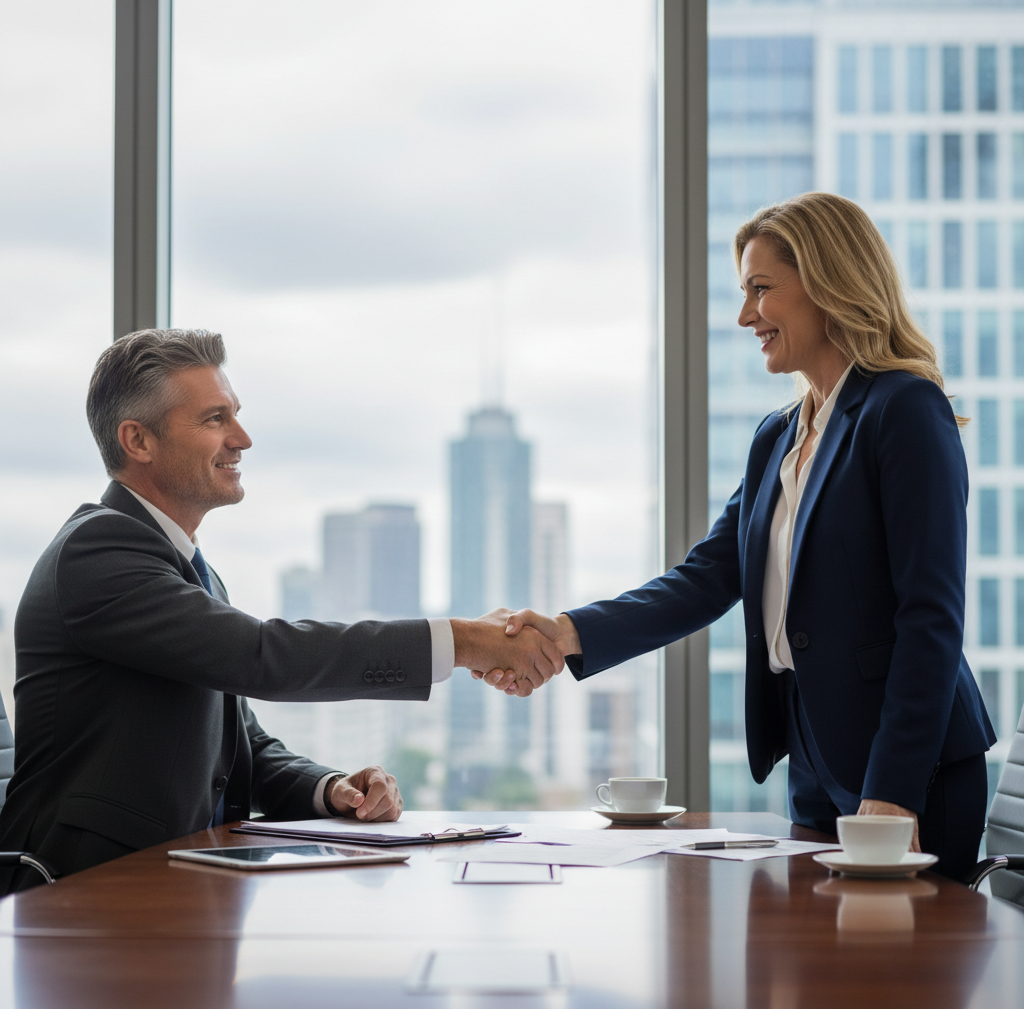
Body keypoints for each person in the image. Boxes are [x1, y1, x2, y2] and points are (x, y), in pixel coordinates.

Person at [486, 192, 996, 881]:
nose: (745, 315)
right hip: (816, 751)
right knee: (815, 969)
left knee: (892, 975)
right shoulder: (779, 437)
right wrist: (569, 631)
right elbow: (707, 578)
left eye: (762, 290)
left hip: (906, 762)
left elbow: (931, 619)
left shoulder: (903, 409)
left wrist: (893, 791)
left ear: (827, 284)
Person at [0, 328, 560, 892]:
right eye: (215, 419)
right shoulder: (97, 553)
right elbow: (262, 656)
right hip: (82, 897)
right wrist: (460, 640)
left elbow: (238, 741)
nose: (242, 438)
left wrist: (331, 788)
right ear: (138, 441)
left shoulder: (185, 567)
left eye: (234, 415)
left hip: (175, 890)